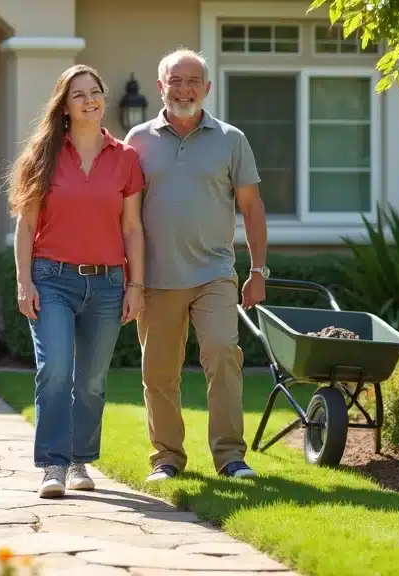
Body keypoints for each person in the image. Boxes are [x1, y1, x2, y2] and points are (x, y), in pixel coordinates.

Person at [124, 48, 269, 482]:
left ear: (207, 88)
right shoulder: (137, 141)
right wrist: (130, 279)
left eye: (193, 82)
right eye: (175, 81)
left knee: (224, 355)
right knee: (159, 372)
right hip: (156, 278)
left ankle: (230, 457)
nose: (184, 89)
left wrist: (257, 271)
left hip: (214, 274)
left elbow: (252, 206)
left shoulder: (231, 139)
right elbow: (125, 215)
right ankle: (167, 458)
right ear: (160, 87)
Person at [7, 64, 146, 498]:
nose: (90, 100)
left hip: (107, 284)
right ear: (64, 106)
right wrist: (24, 282)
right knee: (55, 370)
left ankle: (80, 461)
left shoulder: (125, 158)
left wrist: (135, 285)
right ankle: (53, 464)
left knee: (91, 380)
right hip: (52, 280)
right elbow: (26, 226)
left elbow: (132, 228)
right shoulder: (43, 154)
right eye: (79, 94)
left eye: (95, 92)